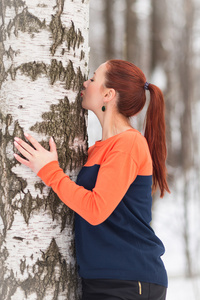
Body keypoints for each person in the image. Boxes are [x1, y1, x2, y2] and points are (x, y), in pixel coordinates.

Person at [14, 59, 170, 300]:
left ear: (108, 94)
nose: (85, 82)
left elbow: (96, 208)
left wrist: (50, 171)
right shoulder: (98, 149)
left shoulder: (128, 143)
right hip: (104, 278)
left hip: (129, 279)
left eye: (93, 78)